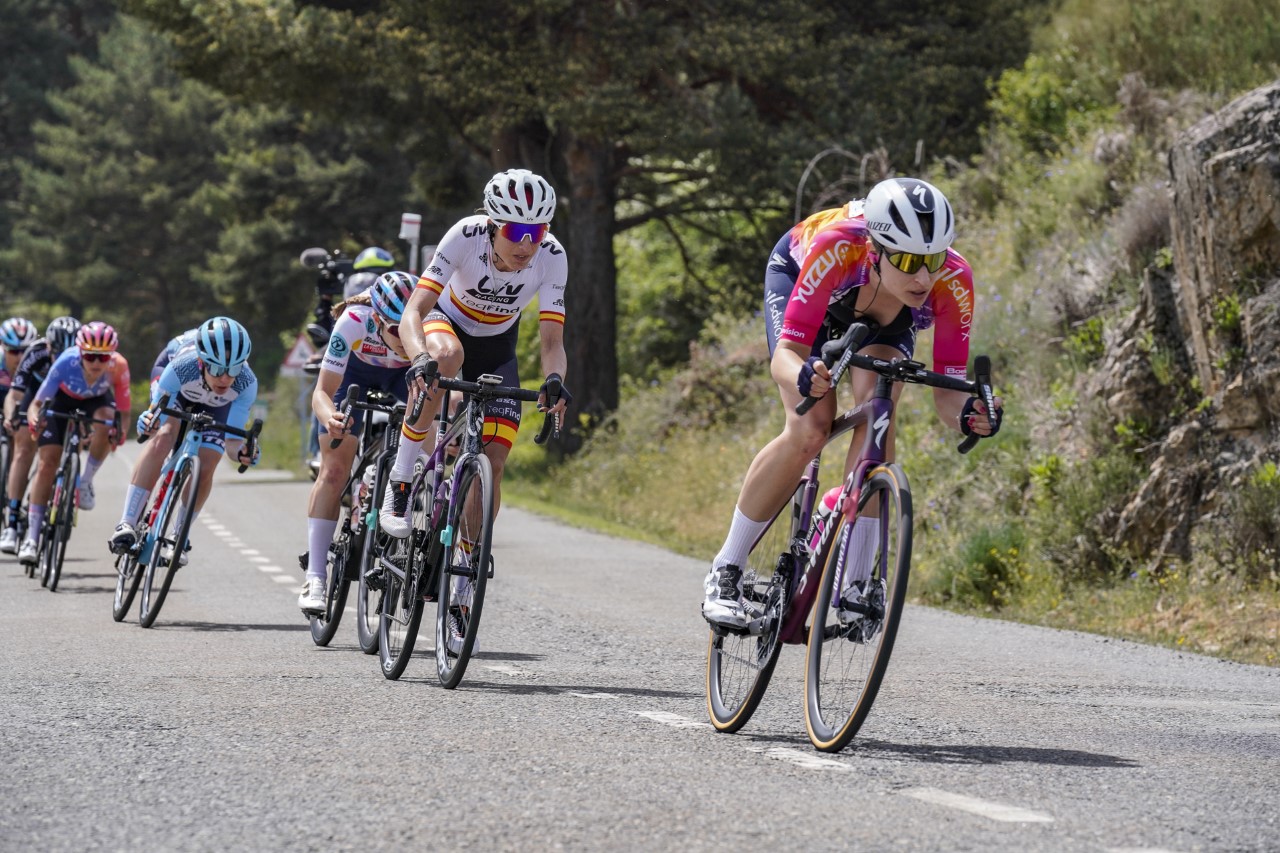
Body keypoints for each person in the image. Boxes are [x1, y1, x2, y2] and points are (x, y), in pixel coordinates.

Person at [701, 177, 1004, 627]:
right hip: (809, 286)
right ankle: (726, 569)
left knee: (880, 412)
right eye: (907, 260)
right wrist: (804, 377)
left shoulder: (952, 280)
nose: (923, 277)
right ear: (876, 248)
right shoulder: (838, 247)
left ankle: (858, 579)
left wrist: (969, 415)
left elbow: (948, 392)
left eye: (933, 259)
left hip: (886, 321)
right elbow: (784, 359)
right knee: (811, 428)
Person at [376, 169, 570, 645]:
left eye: (538, 231)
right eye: (517, 232)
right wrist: (419, 356)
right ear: (492, 224)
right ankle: (402, 479)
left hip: (499, 347)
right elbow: (414, 310)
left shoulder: (552, 256)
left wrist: (555, 381)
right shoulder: (463, 236)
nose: (528, 243)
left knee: (495, 464)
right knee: (447, 358)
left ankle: (462, 585)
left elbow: (551, 340)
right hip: (447, 325)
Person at [296, 271, 415, 613]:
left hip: (404, 376)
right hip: (355, 374)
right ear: (376, 319)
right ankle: (316, 577)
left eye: (409, 328)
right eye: (395, 330)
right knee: (334, 472)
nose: (404, 338)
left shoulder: (428, 320)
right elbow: (322, 392)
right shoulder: (353, 322)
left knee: (429, 441)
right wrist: (330, 418)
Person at [108, 317, 259, 563]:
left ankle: (180, 535)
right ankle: (126, 522)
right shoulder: (182, 366)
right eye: (218, 369)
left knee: (209, 460)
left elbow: (232, 442)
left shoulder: (246, 383)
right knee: (164, 436)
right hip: (177, 387)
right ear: (202, 362)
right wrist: (149, 422)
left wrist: (243, 452)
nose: (225, 378)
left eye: (233, 369)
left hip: (216, 405)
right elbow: (155, 414)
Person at [20, 321, 131, 565]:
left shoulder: (118, 366)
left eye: (103, 358)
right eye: (90, 356)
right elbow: (36, 404)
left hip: (96, 401)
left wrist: (120, 432)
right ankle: (32, 537)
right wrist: (33, 420)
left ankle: (84, 482)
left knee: (107, 420)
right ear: (80, 351)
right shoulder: (65, 362)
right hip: (61, 400)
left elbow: (124, 412)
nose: (96, 363)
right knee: (47, 464)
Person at [1, 316, 80, 553]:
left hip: (66, 398)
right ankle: (12, 523)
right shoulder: (36, 353)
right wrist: (12, 416)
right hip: (35, 395)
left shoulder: (84, 359)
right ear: (49, 348)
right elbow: (15, 395)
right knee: (24, 448)